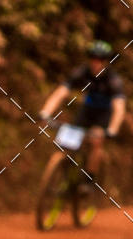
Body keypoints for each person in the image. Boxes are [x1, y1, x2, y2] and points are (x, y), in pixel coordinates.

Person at [39, 40, 126, 179]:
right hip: (86, 111)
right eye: (93, 57)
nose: (96, 62)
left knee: (96, 142)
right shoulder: (82, 72)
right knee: (67, 141)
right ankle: (63, 171)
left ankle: (88, 179)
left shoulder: (113, 81)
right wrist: (45, 112)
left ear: (106, 61)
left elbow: (119, 108)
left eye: (100, 59)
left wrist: (112, 130)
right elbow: (61, 92)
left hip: (104, 115)